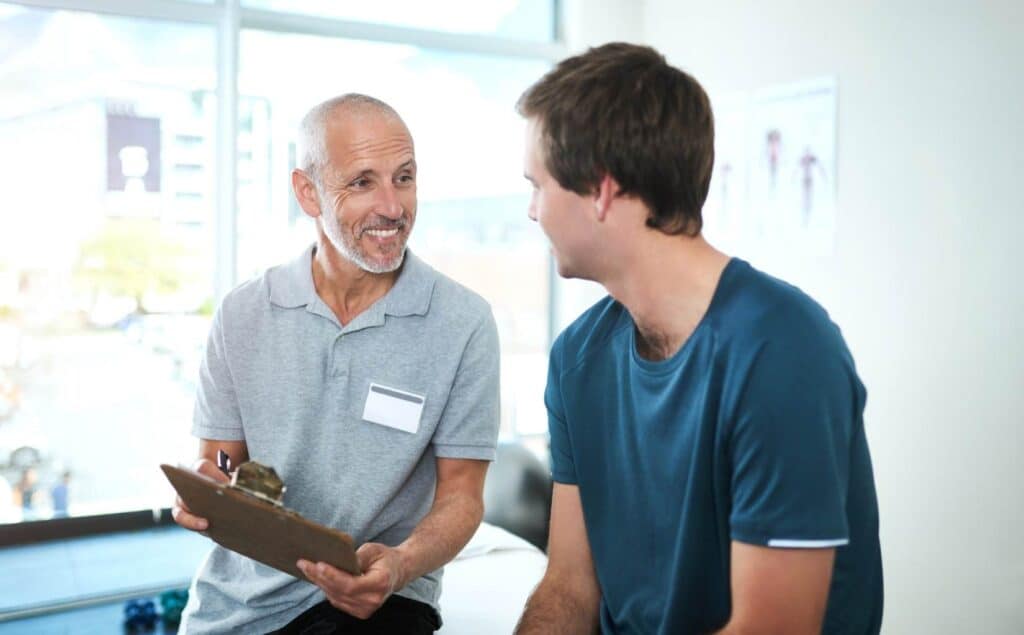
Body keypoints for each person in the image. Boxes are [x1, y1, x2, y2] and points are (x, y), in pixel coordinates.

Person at [514, 43, 883, 634]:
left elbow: (773, 630)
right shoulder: (576, 360)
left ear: (601, 190)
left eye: (538, 184)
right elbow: (569, 586)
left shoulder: (785, 354)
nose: (533, 211)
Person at [172, 94, 500, 634]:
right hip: (238, 603)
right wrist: (213, 489)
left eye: (404, 177)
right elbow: (226, 463)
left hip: (382, 595)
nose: (393, 208)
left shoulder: (463, 324)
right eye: (363, 182)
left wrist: (402, 562)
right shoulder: (243, 314)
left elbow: (462, 498)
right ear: (308, 192)